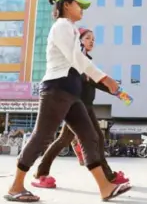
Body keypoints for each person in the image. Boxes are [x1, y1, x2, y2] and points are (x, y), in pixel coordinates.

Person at [4, 0, 131, 203]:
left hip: (71, 94)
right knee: (42, 137)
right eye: (78, 4)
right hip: (56, 89)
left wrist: (108, 85)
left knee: (90, 136)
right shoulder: (62, 26)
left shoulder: (70, 28)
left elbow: (79, 64)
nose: (82, 9)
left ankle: (105, 187)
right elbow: (76, 59)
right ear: (66, 5)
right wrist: (105, 78)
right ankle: (16, 186)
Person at [31, 28, 129, 188]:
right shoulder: (77, 60)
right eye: (88, 38)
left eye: (93, 39)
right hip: (77, 106)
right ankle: (108, 177)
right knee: (96, 138)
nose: (92, 41)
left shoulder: (86, 59)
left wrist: (117, 91)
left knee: (65, 139)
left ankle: (41, 172)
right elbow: (94, 81)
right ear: (79, 40)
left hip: (85, 106)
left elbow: (94, 80)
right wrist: (118, 92)